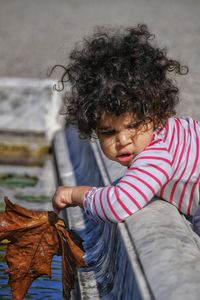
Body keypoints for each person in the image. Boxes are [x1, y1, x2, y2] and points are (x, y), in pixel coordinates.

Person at [51, 24, 200, 223]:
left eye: (133, 126)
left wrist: (76, 195)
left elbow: (118, 205)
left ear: (155, 114)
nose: (122, 140)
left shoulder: (156, 154)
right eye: (108, 132)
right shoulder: (170, 133)